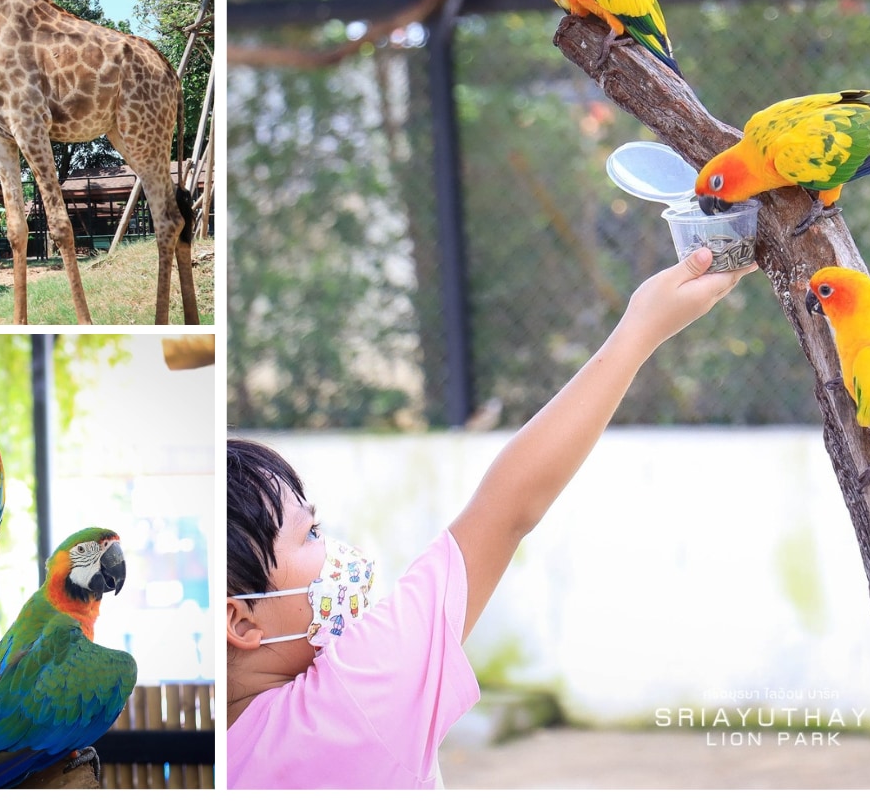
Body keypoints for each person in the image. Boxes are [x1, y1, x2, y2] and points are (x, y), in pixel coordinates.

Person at [225, 248, 755, 789]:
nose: (334, 551)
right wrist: (640, 328)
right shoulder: (355, 699)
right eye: (310, 534)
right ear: (241, 621)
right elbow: (506, 512)